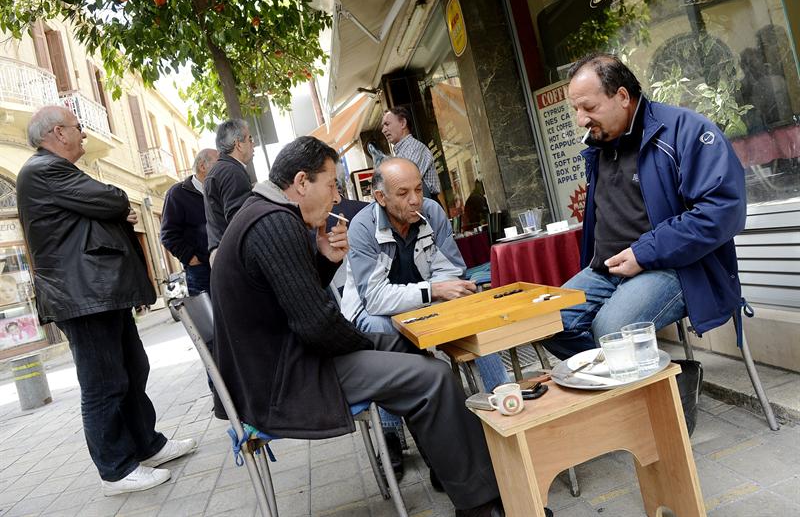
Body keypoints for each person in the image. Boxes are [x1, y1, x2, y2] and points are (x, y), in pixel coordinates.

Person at [211, 136, 508, 517]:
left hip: (284, 362)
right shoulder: (274, 223)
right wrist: (364, 343)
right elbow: (317, 325)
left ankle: (452, 468)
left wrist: (325, 260)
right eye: (332, 185)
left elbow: (288, 298)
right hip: (284, 380)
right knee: (432, 378)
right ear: (302, 182)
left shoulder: (264, 213)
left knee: (403, 348)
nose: (337, 198)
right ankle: (483, 505)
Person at [16, 106, 197, 495]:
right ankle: (115, 470)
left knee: (133, 369)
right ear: (57, 133)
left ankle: (147, 446)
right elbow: (113, 201)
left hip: (98, 292)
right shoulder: (44, 170)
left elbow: (102, 210)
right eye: (77, 128)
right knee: (104, 384)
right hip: (82, 296)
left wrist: (111, 212)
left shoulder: (55, 170)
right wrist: (115, 210)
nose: (83, 134)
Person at [543, 52, 747, 361]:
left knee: (611, 330)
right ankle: (654, 376)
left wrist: (644, 253)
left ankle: (645, 385)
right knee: (547, 322)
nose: (581, 120)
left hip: (679, 267)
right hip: (607, 268)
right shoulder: (600, 145)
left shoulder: (685, 130)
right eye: (576, 109)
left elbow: (722, 211)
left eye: (589, 107)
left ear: (622, 96)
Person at [340, 157, 508, 482]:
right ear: (380, 197)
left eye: (418, 189)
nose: (415, 199)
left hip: (424, 302)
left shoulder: (431, 211)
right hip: (374, 312)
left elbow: (451, 270)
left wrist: (443, 291)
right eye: (403, 193)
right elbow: (375, 298)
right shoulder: (363, 228)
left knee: (471, 306)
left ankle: (503, 398)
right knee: (383, 332)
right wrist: (433, 290)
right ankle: (393, 433)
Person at [161, 148, 219, 295]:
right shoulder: (177, 194)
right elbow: (168, 235)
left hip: (226, 264)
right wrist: (191, 258)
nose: (222, 168)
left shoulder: (220, 191)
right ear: (202, 166)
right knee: (208, 316)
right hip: (200, 270)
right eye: (218, 163)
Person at [204, 118, 254, 264]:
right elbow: (240, 219)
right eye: (250, 138)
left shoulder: (218, 170)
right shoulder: (232, 172)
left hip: (221, 253)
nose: (253, 143)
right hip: (233, 256)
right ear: (238, 144)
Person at [381, 107, 444, 204]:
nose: (383, 130)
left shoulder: (415, 148)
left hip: (426, 206)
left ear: (403, 123)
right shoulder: (402, 152)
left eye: (387, 124)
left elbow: (404, 181)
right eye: (383, 126)